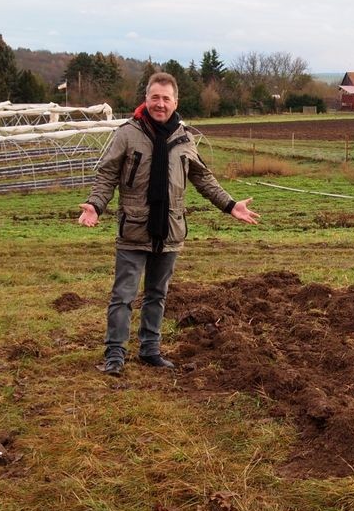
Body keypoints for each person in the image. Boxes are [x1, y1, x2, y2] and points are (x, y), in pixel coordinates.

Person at [78, 72, 260, 376]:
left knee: (157, 294)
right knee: (123, 296)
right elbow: (107, 174)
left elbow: (203, 178)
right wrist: (96, 205)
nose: (160, 104)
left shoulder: (185, 138)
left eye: (166, 98)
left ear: (175, 101)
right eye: (154, 98)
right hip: (134, 228)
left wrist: (230, 205)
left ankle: (150, 350)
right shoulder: (128, 133)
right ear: (146, 99)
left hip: (171, 230)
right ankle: (115, 355)